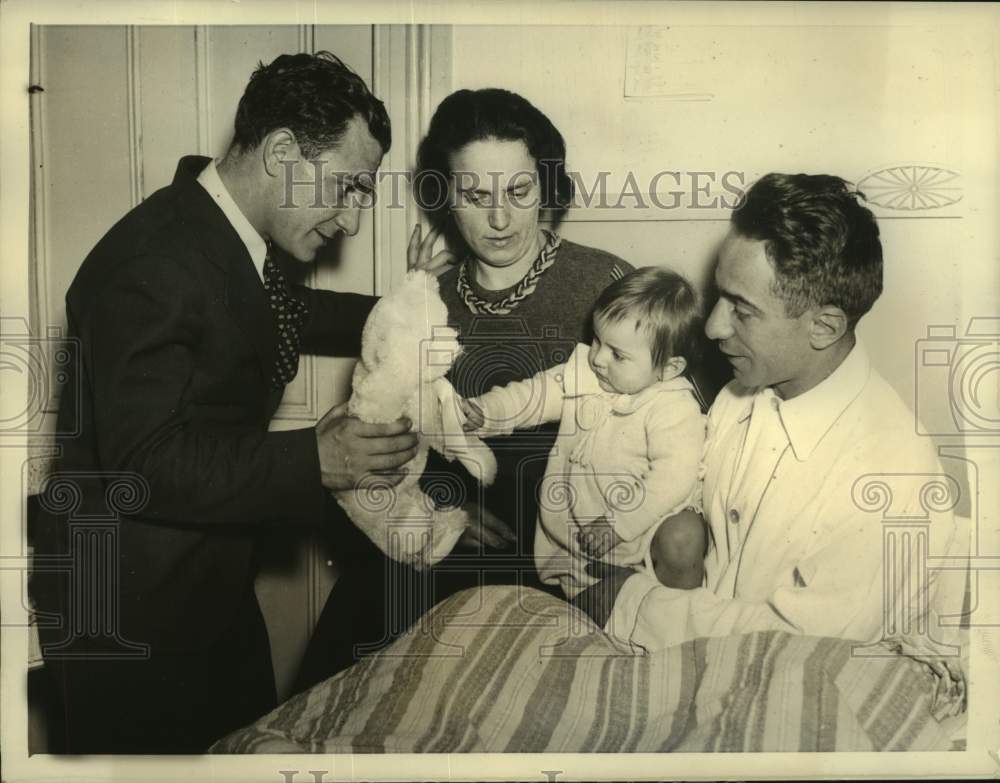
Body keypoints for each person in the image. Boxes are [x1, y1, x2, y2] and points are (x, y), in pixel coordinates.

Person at [32, 51, 423, 754]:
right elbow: (143, 460)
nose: (354, 219)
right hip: (127, 613)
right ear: (280, 152)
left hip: (201, 585)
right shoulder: (152, 262)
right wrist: (316, 457)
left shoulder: (225, 234)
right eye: (348, 187)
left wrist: (410, 309)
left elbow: (283, 311)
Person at [293, 87, 643, 692]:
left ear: (548, 187)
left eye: (520, 192)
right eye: (475, 196)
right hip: (442, 553)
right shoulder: (426, 301)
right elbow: (382, 435)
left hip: (567, 562)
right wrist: (439, 501)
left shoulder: (607, 285)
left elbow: (662, 427)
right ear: (445, 198)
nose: (500, 219)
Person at [574, 174, 964, 668]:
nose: (713, 326)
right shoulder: (742, 392)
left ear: (824, 327)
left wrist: (629, 600)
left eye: (742, 310)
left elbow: (803, 650)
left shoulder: (890, 473)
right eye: (719, 296)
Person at [460, 267, 708, 597]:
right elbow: (532, 396)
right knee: (589, 616)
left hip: (644, 532)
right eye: (596, 340)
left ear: (668, 369)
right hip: (578, 536)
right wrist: (485, 412)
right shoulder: (588, 376)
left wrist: (619, 524)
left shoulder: (673, 407)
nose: (598, 359)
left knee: (681, 543)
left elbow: (673, 476)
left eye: (618, 354)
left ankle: (678, 620)